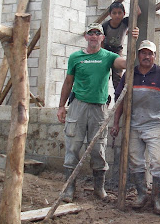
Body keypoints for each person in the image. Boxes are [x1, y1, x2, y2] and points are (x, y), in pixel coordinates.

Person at [57, 22, 139, 203]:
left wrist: (134, 40)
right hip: (78, 106)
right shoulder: (75, 57)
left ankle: (99, 188)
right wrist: (62, 106)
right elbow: (68, 83)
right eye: (90, 33)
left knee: (98, 149)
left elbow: (128, 63)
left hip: (99, 108)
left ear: (103, 38)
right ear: (86, 37)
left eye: (97, 34)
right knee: (73, 146)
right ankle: (69, 188)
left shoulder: (108, 56)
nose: (94, 36)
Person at [110, 40, 160, 215]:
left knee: (158, 162)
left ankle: (156, 198)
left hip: (155, 125)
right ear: (138, 55)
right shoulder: (130, 74)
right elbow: (120, 100)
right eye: (143, 53)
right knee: (136, 161)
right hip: (132, 125)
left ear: (155, 56)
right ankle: (141, 194)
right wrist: (116, 123)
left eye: (150, 53)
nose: (147, 56)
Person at [102, 2, 140, 90]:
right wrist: (103, 56)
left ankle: (119, 99)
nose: (117, 16)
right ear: (110, 14)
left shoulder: (125, 22)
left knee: (117, 77)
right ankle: (105, 98)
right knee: (104, 75)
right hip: (106, 50)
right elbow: (102, 42)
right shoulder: (105, 25)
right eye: (114, 13)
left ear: (124, 14)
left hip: (117, 50)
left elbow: (137, 12)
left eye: (120, 13)